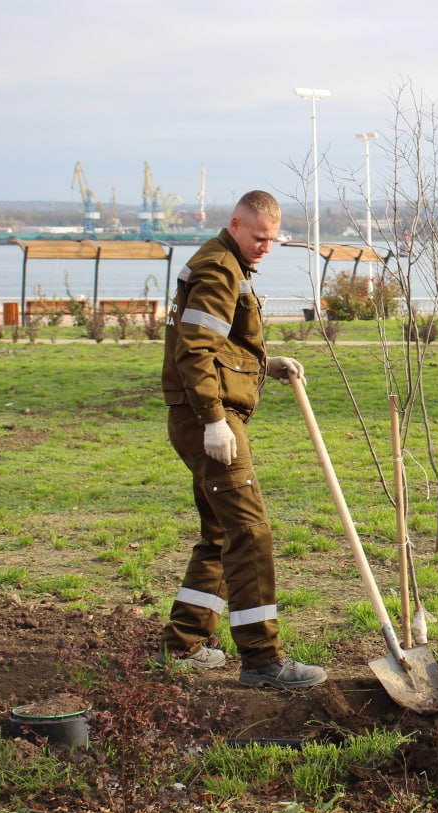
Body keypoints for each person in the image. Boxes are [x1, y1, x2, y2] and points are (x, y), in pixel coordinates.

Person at [158, 189, 327, 690]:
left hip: (205, 414)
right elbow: (193, 352)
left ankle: (184, 642)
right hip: (208, 420)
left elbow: (220, 347)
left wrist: (264, 365)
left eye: (273, 240)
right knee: (251, 533)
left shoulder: (227, 263)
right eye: (258, 237)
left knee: (220, 532)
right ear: (235, 224)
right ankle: (262, 660)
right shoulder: (218, 270)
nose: (265, 247)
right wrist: (213, 419)